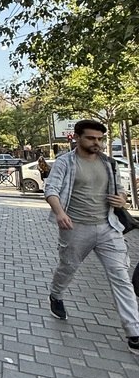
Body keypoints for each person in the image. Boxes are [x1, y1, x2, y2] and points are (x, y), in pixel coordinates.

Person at [44, 119, 139, 351]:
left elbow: (119, 190)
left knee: (120, 276)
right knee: (68, 267)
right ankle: (56, 295)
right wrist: (59, 213)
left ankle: (134, 331)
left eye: (100, 139)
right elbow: (51, 189)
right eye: (91, 138)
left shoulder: (108, 163)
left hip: (108, 227)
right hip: (75, 227)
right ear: (77, 137)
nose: (97, 143)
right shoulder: (65, 162)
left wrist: (122, 199)